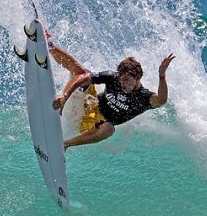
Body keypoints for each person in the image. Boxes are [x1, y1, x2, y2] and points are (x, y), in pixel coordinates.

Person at [47, 33, 175, 151]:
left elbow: (161, 100)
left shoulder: (143, 97)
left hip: (93, 122)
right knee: (83, 73)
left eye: (126, 80)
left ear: (138, 77)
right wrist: (65, 96)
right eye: (120, 79)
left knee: (109, 129)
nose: (122, 83)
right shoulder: (113, 77)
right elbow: (84, 79)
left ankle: (65, 144)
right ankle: (49, 46)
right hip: (89, 103)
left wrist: (162, 76)